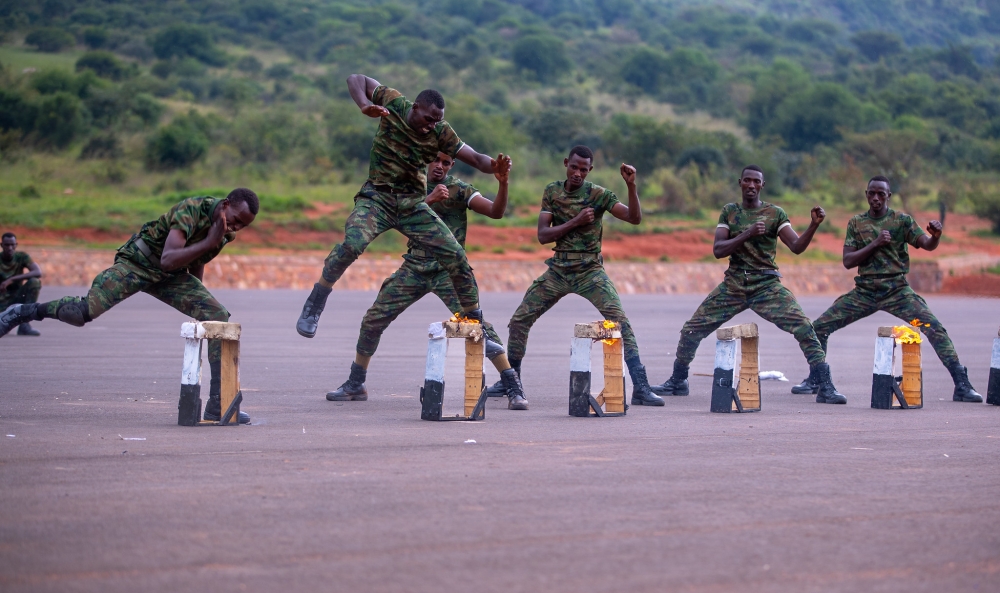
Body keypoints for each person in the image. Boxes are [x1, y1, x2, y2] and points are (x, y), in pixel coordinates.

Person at [0, 189, 260, 423]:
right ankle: (22, 312)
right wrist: (209, 241)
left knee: (217, 316)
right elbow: (169, 258)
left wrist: (196, 297)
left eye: (242, 226)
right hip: (138, 263)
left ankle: (219, 404)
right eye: (235, 219)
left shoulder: (224, 233)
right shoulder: (191, 209)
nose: (234, 227)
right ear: (225, 204)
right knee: (81, 313)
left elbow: (197, 259)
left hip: (169, 276)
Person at [295, 75, 508, 348]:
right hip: (378, 198)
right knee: (352, 244)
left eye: (436, 120)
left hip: (412, 204)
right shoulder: (394, 102)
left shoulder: (440, 132)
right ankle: (317, 299)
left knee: (456, 255)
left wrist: (496, 168)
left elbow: (477, 159)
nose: (431, 125)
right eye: (428, 118)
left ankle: (477, 324)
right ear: (416, 107)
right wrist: (363, 105)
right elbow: (355, 79)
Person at [329, 151, 529, 410]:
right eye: (435, 160)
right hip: (415, 266)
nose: (439, 166)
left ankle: (512, 385)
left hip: (448, 271)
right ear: (424, 160)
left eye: (446, 162)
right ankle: (356, 383)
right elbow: (396, 219)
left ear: (452, 165)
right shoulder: (412, 187)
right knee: (373, 319)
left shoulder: (458, 189)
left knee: (478, 327)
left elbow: (495, 212)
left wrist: (503, 183)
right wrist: (428, 200)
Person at [650, 165, 847, 404]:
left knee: (804, 327)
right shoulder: (730, 212)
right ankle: (678, 380)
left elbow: (796, 247)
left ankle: (824, 385)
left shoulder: (775, 213)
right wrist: (747, 233)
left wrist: (813, 225)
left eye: (756, 182)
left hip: (766, 285)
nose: (751, 186)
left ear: (762, 185)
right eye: (747, 181)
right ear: (740, 183)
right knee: (691, 329)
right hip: (734, 285)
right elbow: (718, 250)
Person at [791, 175, 982, 402]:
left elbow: (927, 245)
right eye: (872, 193)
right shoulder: (856, 223)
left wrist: (936, 236)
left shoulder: (901, 221)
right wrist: (875, 243)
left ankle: (961, 384)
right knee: (819, 327)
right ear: (866, 195)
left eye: (881, 194)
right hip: (865, 292)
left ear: (888, 196)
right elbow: (848, 261)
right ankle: (817, 379)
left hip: (897, 292)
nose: (876, 198)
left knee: (934, 327)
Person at [499, 145, 664, 407]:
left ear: (590, 171)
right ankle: (510, 381)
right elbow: (543, 235)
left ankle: (641, 387)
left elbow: (634, 218)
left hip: (590, 271)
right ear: (566, 163)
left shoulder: (598, 194)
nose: (577, 173)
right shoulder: (552, 191)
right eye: (574, 167)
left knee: (620, 323)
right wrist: (575, 221)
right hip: (559, 270)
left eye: (583, 170)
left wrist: (631, 186)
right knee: (520, 320)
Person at [0, 232, 42, 336]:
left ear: (16, 245)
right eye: (7, 245)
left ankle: (24, 325)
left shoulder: (21, 257)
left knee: (35, 282)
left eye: (12, 245)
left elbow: (37, 272)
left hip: (16, 298)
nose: (10, 248)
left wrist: (12, 279)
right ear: (1, 245)